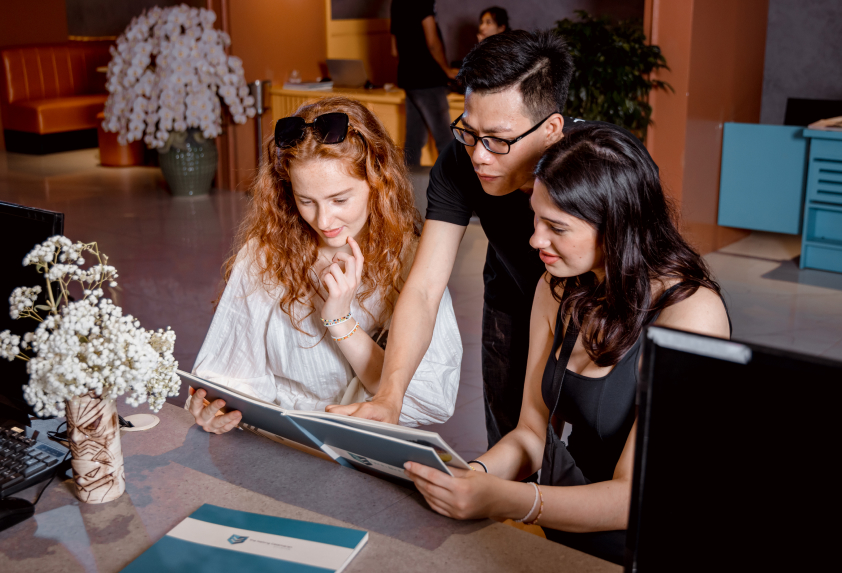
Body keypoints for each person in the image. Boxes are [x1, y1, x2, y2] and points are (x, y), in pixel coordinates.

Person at [403, 124, 731, 564]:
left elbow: (635, 497)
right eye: (535, 217)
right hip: (566, 524)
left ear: (616, 226)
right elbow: (529, 436)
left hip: (651, 543)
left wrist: (511, 500)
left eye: (556, 226)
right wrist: (469, 475)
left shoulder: (692, 314)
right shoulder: (558, 289)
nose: (535, 239)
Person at [328, 31, 653, 453]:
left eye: (498, 140)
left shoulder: (608, 167)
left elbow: (647, 267)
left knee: (605, 440)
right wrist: (391, 396)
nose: (479, 155)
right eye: (469, 131)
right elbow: (425, 288)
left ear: (552, 129)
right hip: (514, 296)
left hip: (606, 303)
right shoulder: (461, 162)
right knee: (512, 433)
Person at [187, 96, 462, 433]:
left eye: (339, 199)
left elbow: (424, 397)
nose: (324, 219)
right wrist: (214, 411)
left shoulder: (413, 262)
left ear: (377, 180)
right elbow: (231, 375)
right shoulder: (265, 254)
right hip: (281, 442)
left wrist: (339, 320)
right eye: (306, 201)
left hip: (366, 446)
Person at [390, 0, 458, 167]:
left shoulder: (396, 3)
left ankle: (407, 190)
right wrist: (447, 70)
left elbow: (394, 50)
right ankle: (452, 192)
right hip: (428, 79)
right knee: (445, 142)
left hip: (409, 79)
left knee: (413, 142)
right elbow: (432, 42)